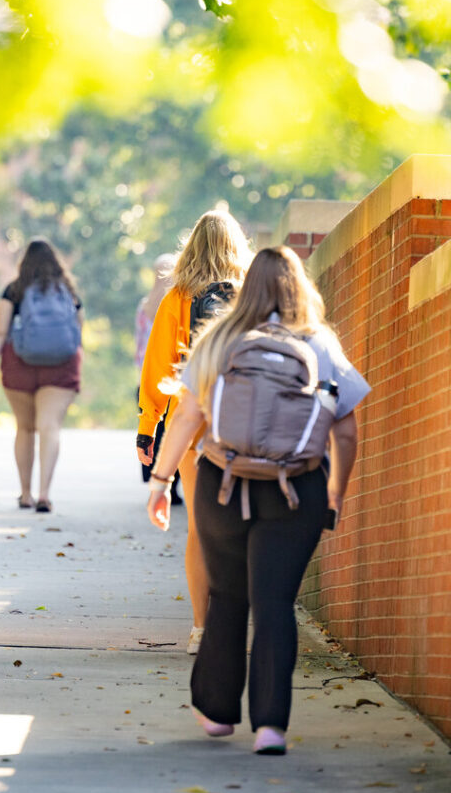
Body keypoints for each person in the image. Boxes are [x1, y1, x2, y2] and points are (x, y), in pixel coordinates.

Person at [146, 246, 369, 754]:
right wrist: (334, 493)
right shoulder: (319, 342)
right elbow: (348, 429)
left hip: (224, 483)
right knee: (274, 602)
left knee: (227, 595)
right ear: (300, 288)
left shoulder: (221, 337)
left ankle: (217, 713)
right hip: (297, 489)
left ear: (247, 287)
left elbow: (188, 417)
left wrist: (160, 482)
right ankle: (270, 726)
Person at [136, 211, 253, 654]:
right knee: (242, 523)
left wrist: (148, 429)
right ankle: (234, 625)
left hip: (194, 423)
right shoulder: (252, 296)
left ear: (193, 246)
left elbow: (158, 369)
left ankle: (202, 629)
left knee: (199, 530)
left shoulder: (178, 298)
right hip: (244, 423)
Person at [0, 239, 83, 513]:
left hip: (20, 365)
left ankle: (26, 494)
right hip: (61, 366)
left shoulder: (14, 290)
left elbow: (0, 332)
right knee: (49, 426)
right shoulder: (67, 290)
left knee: (25, 428)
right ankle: (44, 494)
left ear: (24, 262)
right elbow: (78, 331)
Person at [134, 253, 180, 504]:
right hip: (177, 378)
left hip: (150, 377)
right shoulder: (180, 302)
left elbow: (139, 346)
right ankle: (171, 483)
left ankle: (156, 478)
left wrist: (144, 377)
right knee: (174, 428)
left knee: (155, 430)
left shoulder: (145, 306)